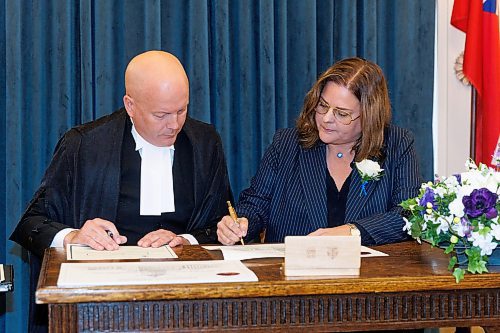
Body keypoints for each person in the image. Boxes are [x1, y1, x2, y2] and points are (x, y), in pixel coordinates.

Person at [10, 50, 232, 332]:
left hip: (188, 304)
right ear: (130, 105)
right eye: (161, 114)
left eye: (181, 110)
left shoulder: (204, 142)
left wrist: (185, 240)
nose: (174, 125)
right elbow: (31, 223)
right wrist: (75, 236)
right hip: (105, 305)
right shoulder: (84, 145)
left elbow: (221, 226)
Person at [217, 57, 422, 246]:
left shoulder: (397, 145)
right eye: (323, 105)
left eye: (342, 113)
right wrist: (240, 223)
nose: (326, 118)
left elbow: (408, 215)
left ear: (369, 118)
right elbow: (256, 204)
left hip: (370, 278)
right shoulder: (287, 144)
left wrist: (352, 231)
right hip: (293, 278)